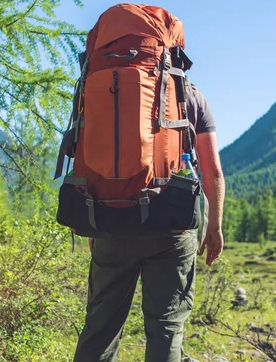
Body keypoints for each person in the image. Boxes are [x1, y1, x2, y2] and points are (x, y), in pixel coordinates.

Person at [73, 85, 226, 362]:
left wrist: (94, 219)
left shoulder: (103, 85)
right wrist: (214, 225)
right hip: (172, 226)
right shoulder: (190, 96)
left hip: (112, 220)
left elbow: (88, 156)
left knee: (101, 326)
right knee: (166, 326)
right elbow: (212, 169)